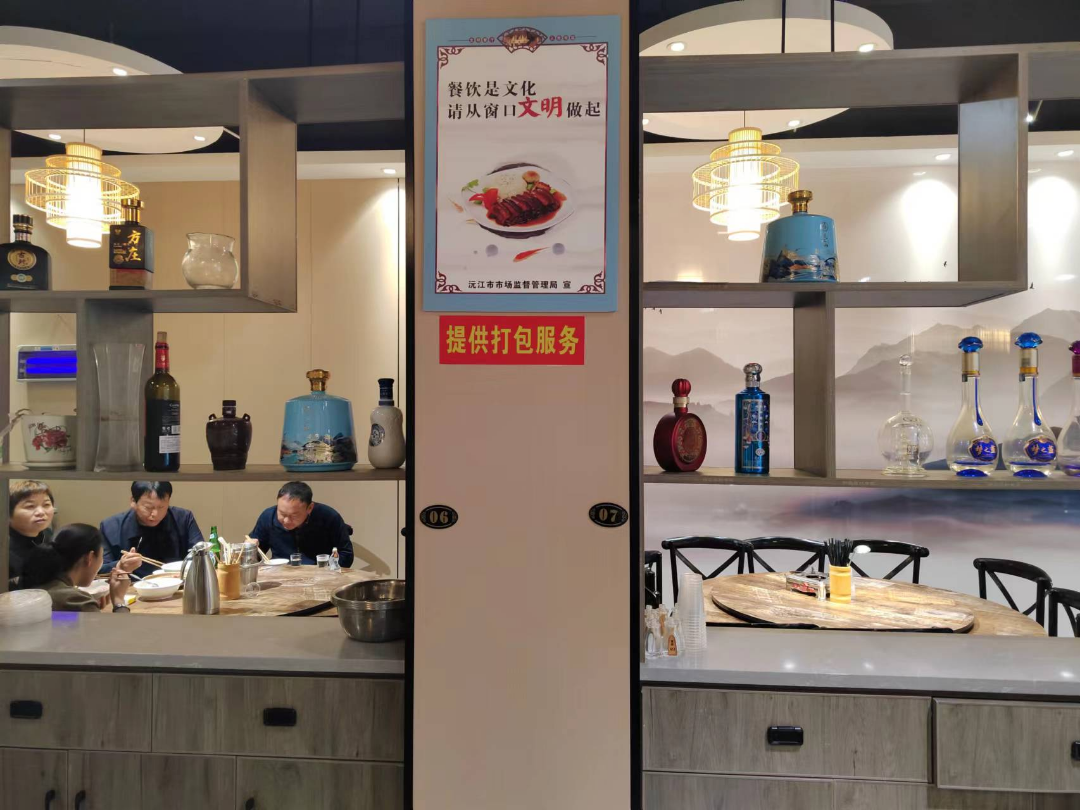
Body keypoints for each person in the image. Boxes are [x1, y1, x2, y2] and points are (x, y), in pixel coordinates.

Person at [99, 481, 203, 578]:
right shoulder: (110, 527)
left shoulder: (183, 519)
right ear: (133, 501)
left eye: (161, 507)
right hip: (130, 588)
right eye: (148, 507)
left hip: (177, 585)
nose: (155, 514)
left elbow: (201, 556)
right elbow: (99, 570)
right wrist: (120, 566)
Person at [21, 523, 131, 612]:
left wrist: (90, 611)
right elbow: (123, 633)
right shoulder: (73, 599)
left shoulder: (37, 583)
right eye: (102, 557)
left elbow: (59, 621)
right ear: (90, 558)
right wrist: (118, 601)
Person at [250, 481, 354, 567]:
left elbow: (346, 554)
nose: (286, 520)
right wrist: (249, 550)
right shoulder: (268, 517)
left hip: (320, 575)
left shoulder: (328, 517)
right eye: (282, 513)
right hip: (280, 575)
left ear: (309, 508)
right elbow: (257, 555)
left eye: (294, 515)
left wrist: (328, 570)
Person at [8, 480, 56, 590]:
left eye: (46, 505)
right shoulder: (4, 545)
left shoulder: (48, 535)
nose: (41, 512)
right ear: (7, 512)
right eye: (30, 506)